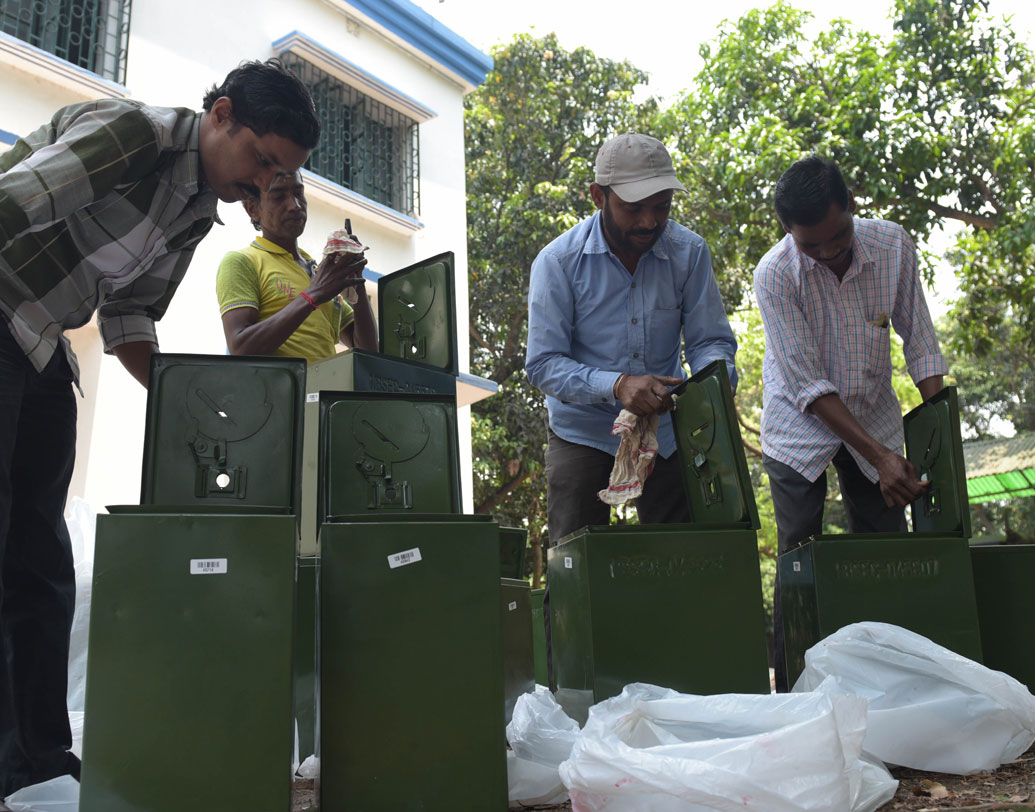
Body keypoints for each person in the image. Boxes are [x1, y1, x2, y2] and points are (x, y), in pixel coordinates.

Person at [0, 58, 320, 799]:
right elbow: (15, 202)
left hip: (45, 340)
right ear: (221, 114)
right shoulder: (136, 135)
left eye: (284, 171)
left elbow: (127, 319)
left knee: (40, 559)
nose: (265, 182)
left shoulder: (195, 215)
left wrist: (197, 405)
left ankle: (38, 763)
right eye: (263, 160)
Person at [525, 132, 738, 685]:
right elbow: (544, 364)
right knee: (572, 565)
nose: (648, 221)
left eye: (661, 206)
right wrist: (617, 385)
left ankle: (679, 686)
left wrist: (708, 387)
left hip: (667, 433)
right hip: (583, 433)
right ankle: (567, 692)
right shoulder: (558, 262)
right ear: (598, 197)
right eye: (633, 208)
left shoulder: (689, 253)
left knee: (679, 562)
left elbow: (713, 340)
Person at [754, 155, 948, 692]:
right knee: (798, 554)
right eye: (810, 245)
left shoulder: (892, 246)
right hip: (799, 425)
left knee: (886, 549)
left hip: (873, 414)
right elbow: (809, 386)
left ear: (852, 208)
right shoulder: (774, 275)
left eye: (836, 236)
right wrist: (882, 458)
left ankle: (893, 684)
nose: (828, 252)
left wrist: (941, 444)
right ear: (789, 233)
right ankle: (794, 690)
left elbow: (923, 347)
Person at [216, 170, 376, 361]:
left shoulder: (318, 270)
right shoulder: (242, 261)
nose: (294, 205)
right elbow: (241, 348)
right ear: (253, 209)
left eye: (299, 193)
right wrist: (313, 295)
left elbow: (367, 352)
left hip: (325, 391)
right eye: (278, 196)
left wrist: (355, 279)